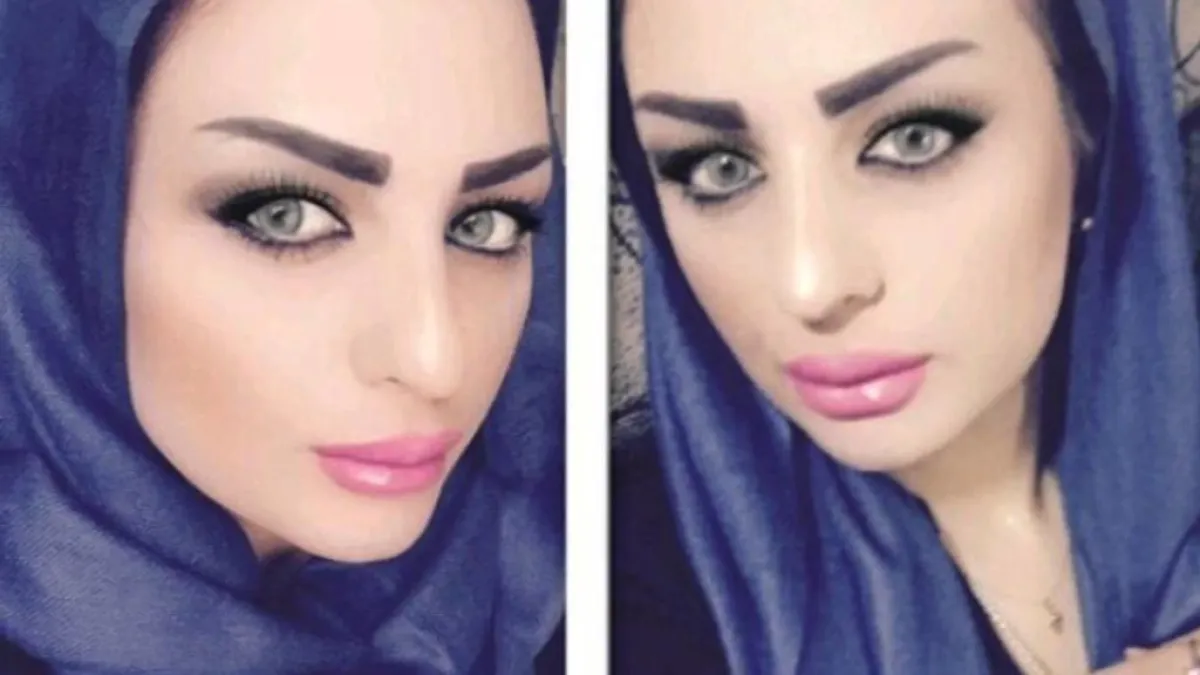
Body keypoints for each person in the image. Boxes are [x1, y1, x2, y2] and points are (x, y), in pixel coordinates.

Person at [611, 0, 1200, 672]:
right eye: (719, 168)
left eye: (913, 138)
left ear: (1090, 131)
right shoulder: (621, 595)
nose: (811, 286)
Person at [0, 0, 564, 672]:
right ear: (55, 228)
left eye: (488, 223)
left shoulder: (565, 576)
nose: (435, 359)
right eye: (286, 215)